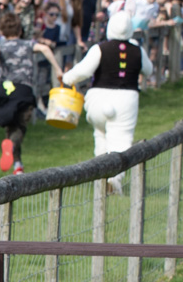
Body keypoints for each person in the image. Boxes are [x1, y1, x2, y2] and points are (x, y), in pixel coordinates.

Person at [62, 11, 145, 193]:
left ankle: (100, 175)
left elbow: (83, 70)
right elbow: (149, 69)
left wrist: (68, 78)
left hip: (98, 99)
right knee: (121, 140)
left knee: (100, 135)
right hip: (126, 100)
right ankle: (114, 179)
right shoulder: (137, 49)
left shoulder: (100, 48)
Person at [0, 12, 61, 176]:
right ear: (20, 30)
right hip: (23, 89)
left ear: (2, 32)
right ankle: (14, 154)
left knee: (11, 127)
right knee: (20, 126)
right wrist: (57, 69)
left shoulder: (1, 47)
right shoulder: (28, 44)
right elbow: (44, 47)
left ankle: (18, 165)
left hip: (6, 89)